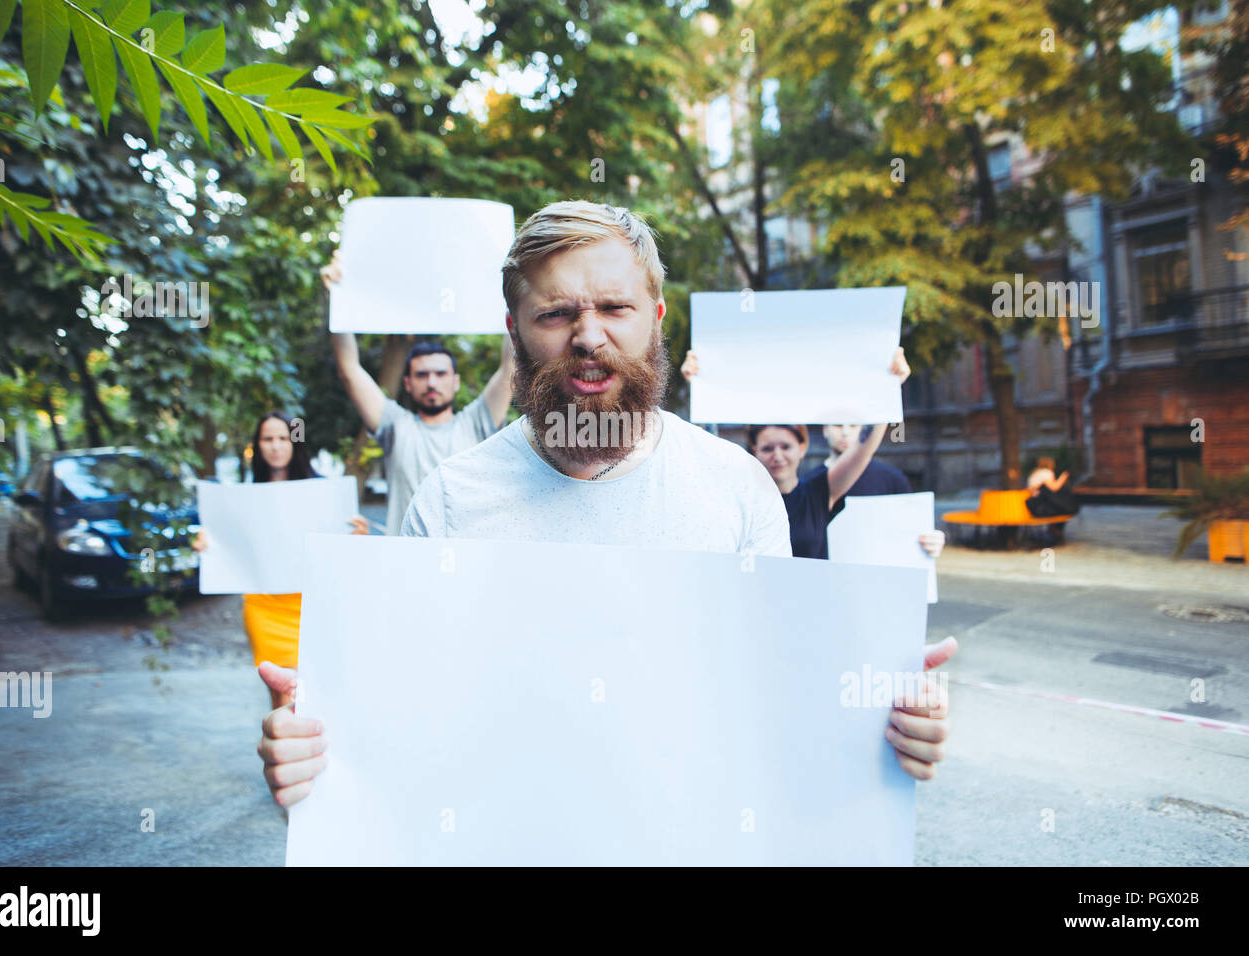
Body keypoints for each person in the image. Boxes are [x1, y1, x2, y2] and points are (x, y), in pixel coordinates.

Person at [258, 200, 955, 808]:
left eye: (614, 308)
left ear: (654, 318)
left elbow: (778, 699)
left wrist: (883, 724)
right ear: (514, 331)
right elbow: (396, 722)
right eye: (556, 313)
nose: (588, 336)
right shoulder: (447, 506)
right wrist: (314, 759)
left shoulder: (737, 489)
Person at [321, 253, 515, 536]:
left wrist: (514, 293)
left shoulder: (476, 422)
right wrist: (336, 296)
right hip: (405, 562)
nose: (432, 382)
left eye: (440, 374)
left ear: (455, 382)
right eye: (422, 375)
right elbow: (349, 369)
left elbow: (511, 363)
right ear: (408, 384)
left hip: (467, 559)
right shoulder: (396, 426)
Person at [191, 411, 368, 710]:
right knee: (283, 699)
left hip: (313, 608)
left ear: (295, 442)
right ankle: (285, 756)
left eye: (283, 438)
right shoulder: (241, 500)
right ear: (257, 446)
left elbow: (345, 555)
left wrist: (358, 537)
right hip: (265, 609)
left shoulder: (325, 492)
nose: (276, 445)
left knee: (319, 696)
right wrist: (208, 546)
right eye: (268, 439)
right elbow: (227, 548)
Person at [678, 354, 915, 559]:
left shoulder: (818, 492)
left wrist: (890, 387)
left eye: (786, 447)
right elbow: (706, 448)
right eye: (768, 448)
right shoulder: (740, 499)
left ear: (802, 448)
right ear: (754, 451)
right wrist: (698, 387)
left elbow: (864, 447)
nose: (777, 456)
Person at [822, 424, 946, 558]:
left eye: (853, 425)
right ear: (825, 430)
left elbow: (912, 532)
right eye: (838, 425)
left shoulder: (892, 479)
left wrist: (931, 542)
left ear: (864, 430)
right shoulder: (807, 484)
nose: (845, 432)